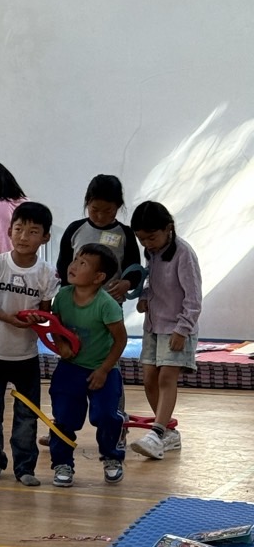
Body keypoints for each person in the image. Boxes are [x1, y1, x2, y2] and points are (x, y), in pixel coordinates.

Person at [0, 202, 59, 486]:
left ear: (45, 237)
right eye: (18, 229)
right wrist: (8, 318)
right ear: (9, 230)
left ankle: (25, 467)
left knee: (27, 415)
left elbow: (47, 318)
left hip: (26, 357)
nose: (24, 236)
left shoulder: (46, 273)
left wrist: (38, 320)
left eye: (33, 231)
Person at [45, 244, 128, 487]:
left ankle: (112, 457)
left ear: (98, 277)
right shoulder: (62, 296)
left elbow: (120, 340)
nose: (73, 265)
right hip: (70, 368)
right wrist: (61, 344)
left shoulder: (107, 305)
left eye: (83, 263)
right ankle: (62, 464)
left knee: (106, 415)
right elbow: (55, 324)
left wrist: (103, 370)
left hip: (103, 369)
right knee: (64, 416)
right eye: (75, 260)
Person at [129, 201, 202, 460]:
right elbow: (152, 282)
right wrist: (144, 297)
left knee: (166, 378)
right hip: (153, 326)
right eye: (141, 239)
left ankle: (157, 433)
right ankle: (168, 432)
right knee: (149, 379)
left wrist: (183, 330)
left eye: (151, 237)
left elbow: (193, 298)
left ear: (168, 228)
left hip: (177, 327)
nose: (147, 243)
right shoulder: (152, 253)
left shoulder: (184, 254)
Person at [56, 174, 143, 303]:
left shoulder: (125, 234)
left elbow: (134, 269)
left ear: (118, 206)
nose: (100, 216)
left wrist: (127, 283)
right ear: (87, 203)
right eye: (94, 210)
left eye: (108, 211)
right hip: (76, 302)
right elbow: (63, 266)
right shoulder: (75, 229)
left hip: (110, 303)